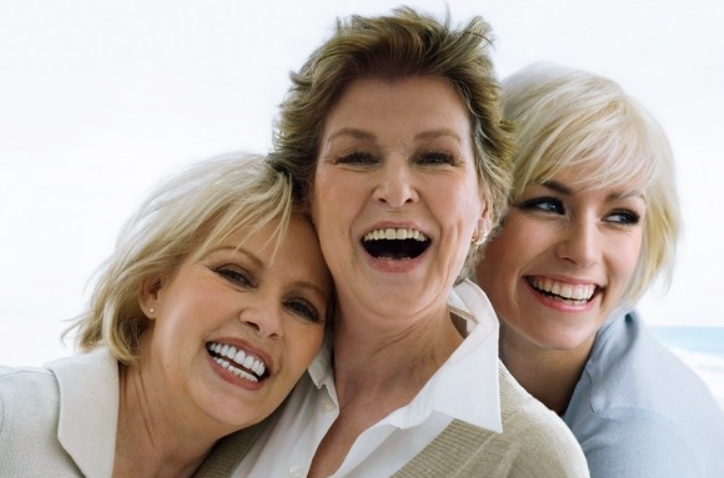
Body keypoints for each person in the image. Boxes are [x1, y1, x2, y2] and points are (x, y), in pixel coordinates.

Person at [197, 7, 589, 478]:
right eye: (358, 157)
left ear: (485, 207)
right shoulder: (239, 377)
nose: (396, 190)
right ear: (307, 196)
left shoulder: (532, 457)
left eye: (435, 157)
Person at [0, 153, 333, 478]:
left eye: (301, 307)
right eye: (235, 275)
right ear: (153, 287)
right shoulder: (9, 417)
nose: (268, 321)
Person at [475, 62, 724, 477]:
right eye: (548, 205)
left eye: (621, 216)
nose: (584, 252)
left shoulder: (635, 449)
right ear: (476, 209)